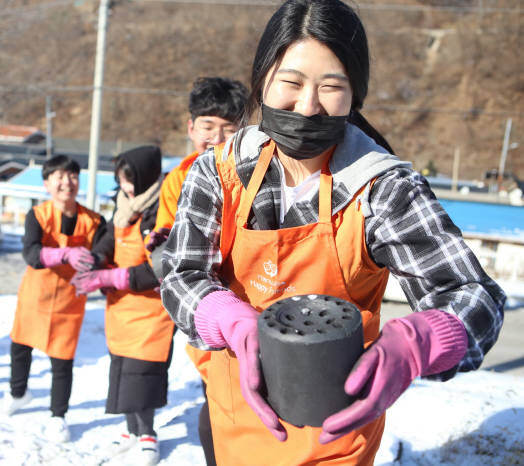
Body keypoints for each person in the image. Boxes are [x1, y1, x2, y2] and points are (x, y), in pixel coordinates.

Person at [160, 1, 505, 464]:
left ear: (354, 96)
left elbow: (474, 296)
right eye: (291, 82)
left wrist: (418, 342)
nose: (308, 105)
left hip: (337, 433)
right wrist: (229, 318)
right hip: (235, 415)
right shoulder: (218, 172)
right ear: (262, 79)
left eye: (331, 87)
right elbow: (180, 274)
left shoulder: (382, 189)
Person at [146, 76, 248, 466]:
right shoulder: (178, 179)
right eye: (208, 126)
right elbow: (167, 245)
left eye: (229, 127)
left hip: (253, 296)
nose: (217, 136)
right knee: (218, 398)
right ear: (191, 128)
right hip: (208, 309)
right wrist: (157, 247)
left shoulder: (256, 171)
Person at [71, 145, 172, 466]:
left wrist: (110, 276)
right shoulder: (124, 202)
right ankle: (130, 430)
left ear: (146, 177)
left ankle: (148, 435)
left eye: (130, 181)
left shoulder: (163, 206)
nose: (127, 187)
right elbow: (109, 239)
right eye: (122, 181)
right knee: (121, 371)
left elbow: (159, 266)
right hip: (121, 306)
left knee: (141, 374)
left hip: (150, 308)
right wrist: (96, 259)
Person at [0, 155, 106, 442]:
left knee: (62, 359)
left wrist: (94, 261)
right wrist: (63, 254)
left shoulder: (95, 220)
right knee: (21, 345)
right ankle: (17, 392)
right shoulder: (38, 215)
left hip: (70, 300)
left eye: (72, 176)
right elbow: (31, 253)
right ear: (47, 183)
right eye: (59, 177)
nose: (66, 183)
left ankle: (58, 416)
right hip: (36, 293)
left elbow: (104, 254)